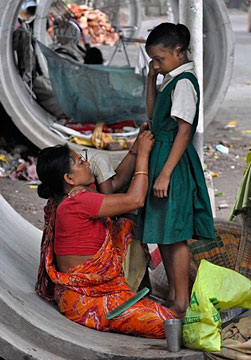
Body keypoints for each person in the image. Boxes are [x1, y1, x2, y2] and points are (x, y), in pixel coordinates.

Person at [35, 131, 176, 338]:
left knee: (126, 225)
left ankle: (132, 291)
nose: (86, 163)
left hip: (80, 292)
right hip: (88, 299)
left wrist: (135, 149)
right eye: (79, 161)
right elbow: (135, 199)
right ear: (69, 178)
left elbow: (116, 183)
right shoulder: (78, 201)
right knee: (167, 323)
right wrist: (143, 156)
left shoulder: (66, 198)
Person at [137, 23, 215, 318]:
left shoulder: (184, 83)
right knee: (165, 233)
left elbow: (184, 131)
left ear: (179, 52)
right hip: (163, 158)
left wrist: (166, 173)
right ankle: (172, 295)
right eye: (152, 60)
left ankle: (181, 301)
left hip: (174, 163)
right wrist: (150, 78)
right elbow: (151, 113)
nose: (156, 65)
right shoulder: (169, 79)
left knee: (175, 234)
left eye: (159, 59)